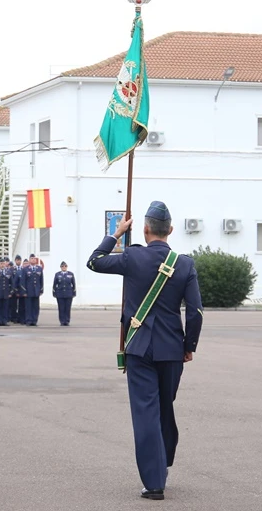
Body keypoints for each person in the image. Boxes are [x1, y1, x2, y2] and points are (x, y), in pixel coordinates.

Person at [87, 201, 203, 501]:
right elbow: (195, 312)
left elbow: (95, 261)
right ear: (172, 230)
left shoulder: (132, 256)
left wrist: (115, 234)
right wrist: (189, 345)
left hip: (139, 348)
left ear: (145, 229)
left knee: (146, 413)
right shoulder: (185, 264)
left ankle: (155, 483)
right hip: (171, 350)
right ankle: (162, 461)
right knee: (164, 407)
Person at [53, 262, 76, 326]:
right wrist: (54, 292)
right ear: (60, 267)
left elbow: (73, 284)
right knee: (61, 308)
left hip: (68, 293)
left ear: (67, 267)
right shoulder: (57, 274)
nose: (64, 267)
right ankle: (62, 321)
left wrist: (74, 293)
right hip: (60, 294)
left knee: (68, 308)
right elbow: (55, 284)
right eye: (62, 266)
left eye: (65, 266)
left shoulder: (70, 274)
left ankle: (67, 321)